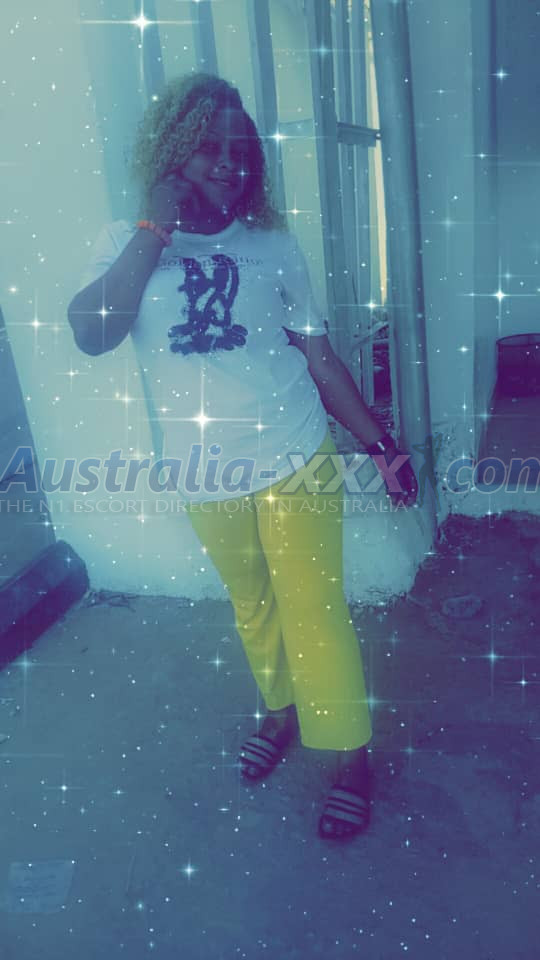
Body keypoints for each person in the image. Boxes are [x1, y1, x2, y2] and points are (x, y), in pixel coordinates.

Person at [68, 72, 418, 841]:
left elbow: (319, 357)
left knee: (315, 609)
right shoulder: (124, 243)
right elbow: (93, 334)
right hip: (204, 471)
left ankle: (350, 758)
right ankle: (280, 710)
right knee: (252, 601)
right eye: (208, 148)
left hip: (295, 455)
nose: (230, 164)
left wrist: (381, 445)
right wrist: (154, 229)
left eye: (242, 150)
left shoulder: (272, 245)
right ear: (171, 150)